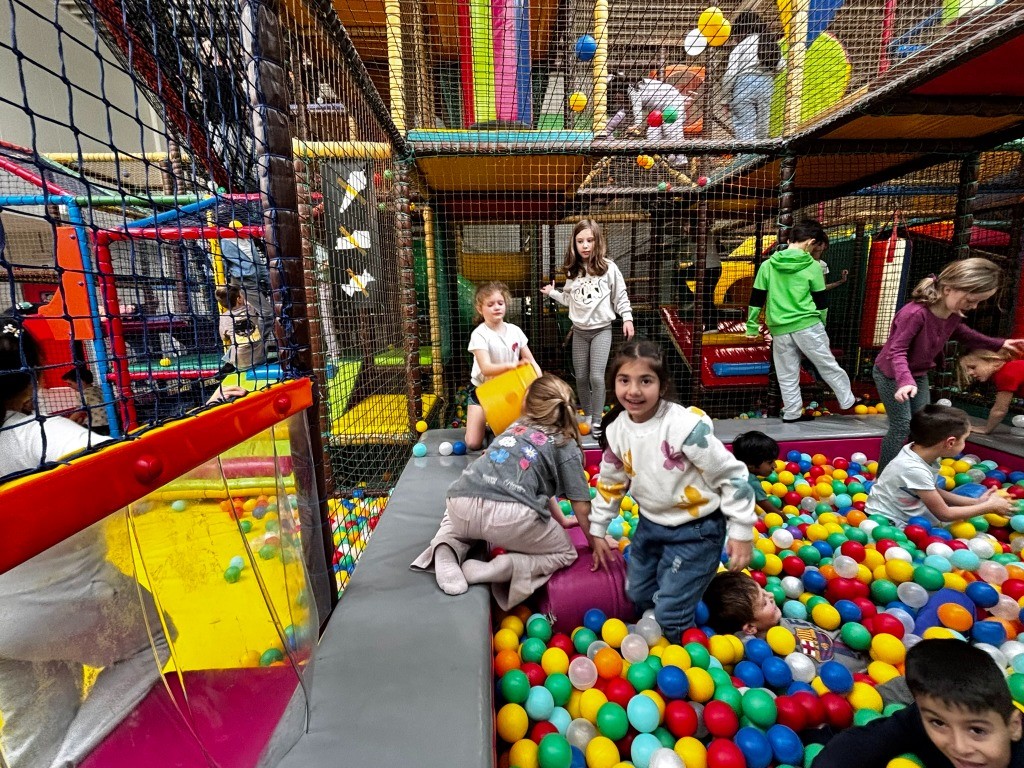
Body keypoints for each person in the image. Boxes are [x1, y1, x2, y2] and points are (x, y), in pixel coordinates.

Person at [0, 320, 245, 767]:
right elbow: (138, 474)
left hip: (3, 630)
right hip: (68, 600)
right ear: (28, 379)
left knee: (35, 720)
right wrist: (208, 414)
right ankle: (69, 759)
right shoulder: (41, 434)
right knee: (153, 637)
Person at [589, 339, 756, 641]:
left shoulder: (683, 428)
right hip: (651, 525)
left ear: (662, 385)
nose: (633, 390)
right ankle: (667, 609)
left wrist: (741, 529)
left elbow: (730, 474)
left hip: (697, 530)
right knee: (637, 592)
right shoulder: (616, 430)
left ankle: (677, 647)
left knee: (669, 615)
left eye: (645, 381)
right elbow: (610, 482)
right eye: (624, 380)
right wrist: (598, 528)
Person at [412, 374, 610, 609]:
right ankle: (503, 568)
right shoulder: (565, 445)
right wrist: (595, 541)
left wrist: (561, 519)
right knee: (565, 552)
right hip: (509, 518)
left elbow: (539, 486)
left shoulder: (515, 427)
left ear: (526, 403)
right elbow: (581, 504)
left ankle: (445, 548)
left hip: (461, 501)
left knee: (456, 515)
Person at [873, 257, 1024, 471]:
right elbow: (897, 351)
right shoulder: (915, 314)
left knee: (925, 423)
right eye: (971, 300)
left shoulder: (952, 315)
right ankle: (884, 477)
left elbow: (964, 334)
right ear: (948, 289)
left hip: (918, 375)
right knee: (902, 425)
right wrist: (905, 380)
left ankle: (917, 471)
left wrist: (1000, 343)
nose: (974, 306)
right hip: (891, 374)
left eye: (978, 302)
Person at [813, 639, 1024, 768]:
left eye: (977, 730)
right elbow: (858, 745)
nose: (959, 747)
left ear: (1015, 726)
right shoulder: (928, 717)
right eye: (939, 724)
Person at [746, 220, 856, 423]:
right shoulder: (813, 266)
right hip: (807, 324)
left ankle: (792, 412)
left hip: (779, 327)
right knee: (826, 363)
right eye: (815, 245)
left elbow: (757, 298)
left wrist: (752, 326)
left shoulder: (768, 265)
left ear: (790, 240)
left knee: (786, 372)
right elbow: (820, 299)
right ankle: (847, 399)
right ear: (811, 242)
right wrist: (822, 321)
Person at [541, 219, 635, 438]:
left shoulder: (608, 268)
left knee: (596, 377)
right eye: (580, 241)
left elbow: (620, 295)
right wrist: (553, 293)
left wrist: (627, 318)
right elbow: (570, 300)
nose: (585, 245)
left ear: (597, 242)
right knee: (581, 377)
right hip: (580, 332)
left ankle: (598, 420)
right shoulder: (573, 272)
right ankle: (589, 416)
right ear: (574, 244)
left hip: (602, 330)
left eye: (589, 240)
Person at [865, 403, 1012, 527]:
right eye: (964, 439)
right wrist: (988, 507)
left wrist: (976, 502)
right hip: (887, 523)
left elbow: (934, 491)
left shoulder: (918, 451)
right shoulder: (913, 468)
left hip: (906, 516)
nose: (964, 444)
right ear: (950, 442)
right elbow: (944, 514)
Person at [464, 282, 542, 451]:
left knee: (513, 438)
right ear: (480, 309)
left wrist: (539, 382)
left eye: (500, 303)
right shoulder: (479, 334)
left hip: (508, 391)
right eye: (490, 304)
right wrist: (513, 365)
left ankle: (494, 425)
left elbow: (531, 361)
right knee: (473, 443)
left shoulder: (515, 331)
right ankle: (485, 424)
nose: (497, 307)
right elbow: (486, 368)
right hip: (483, 392)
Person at [605, 70, 690, 167]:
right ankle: (660, 163)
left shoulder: (632, 88)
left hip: (672, 100)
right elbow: (625, 113)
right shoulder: (626, 96)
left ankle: (680, 159)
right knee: (652, 133)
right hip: (657, 112)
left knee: (669, 128)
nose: (615, 98)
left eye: (614, 94)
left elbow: (636, 109)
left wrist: (636, 125)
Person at [218, 220, 275, 354]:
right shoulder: (226, 242)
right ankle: (256, 346)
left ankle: (253, 346)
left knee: (253, 314)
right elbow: (224, 264)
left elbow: (258, 262)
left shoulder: (248, 240)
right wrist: (227, 283)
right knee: (266, 313)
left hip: (255, 281)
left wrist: (268, 281)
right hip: (242, 282)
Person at [722, 11, 779, 140]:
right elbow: (781, 66)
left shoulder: (741, 46)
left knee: (745, 130)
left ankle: (747, 151)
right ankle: (761, 151)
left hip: (743, 87)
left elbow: (730, 74)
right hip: (766, 86)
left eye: (736, 35)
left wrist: (725, 100)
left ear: (742, 30)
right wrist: (769, 75)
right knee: (762, 128)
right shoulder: (770, 43)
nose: (735, 39)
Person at [958, 348, 1024, 434]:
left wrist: (986, 429)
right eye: (967, 370)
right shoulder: (1012, 367)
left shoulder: (1006, 374)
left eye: (973, 367)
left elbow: (999, 410)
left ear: (995, 361)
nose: (969, 373)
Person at [216, 284, 267, 374]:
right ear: (239, 299)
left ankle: (228, 365)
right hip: (261, 359)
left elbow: (224, 338)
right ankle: (228, 365)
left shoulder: (224, 317)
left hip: (241, 364)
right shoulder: (251, 309)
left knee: (234, 344)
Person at [731, 430, 783, 516]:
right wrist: (785, 518)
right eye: (770, 462)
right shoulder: (750, 481)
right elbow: (767, 507)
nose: (775, 466)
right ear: (750, 465)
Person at [678, 235, 724, 333]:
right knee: (680, 275)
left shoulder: (697, 234)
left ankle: (712, 326)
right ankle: (691, 297)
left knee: (706, 296)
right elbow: (721, 248)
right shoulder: (709, 234)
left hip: (709, 268)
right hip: (707, 267)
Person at [60, 365, 110, 436]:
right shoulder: (99, 390)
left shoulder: (82, 395)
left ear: (80, 382)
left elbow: (77, 413)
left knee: (76, 429)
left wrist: (67, 423)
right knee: (82, 420)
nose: (69, 386)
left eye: (70, 383)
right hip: (110, 423)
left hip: (95, 427)